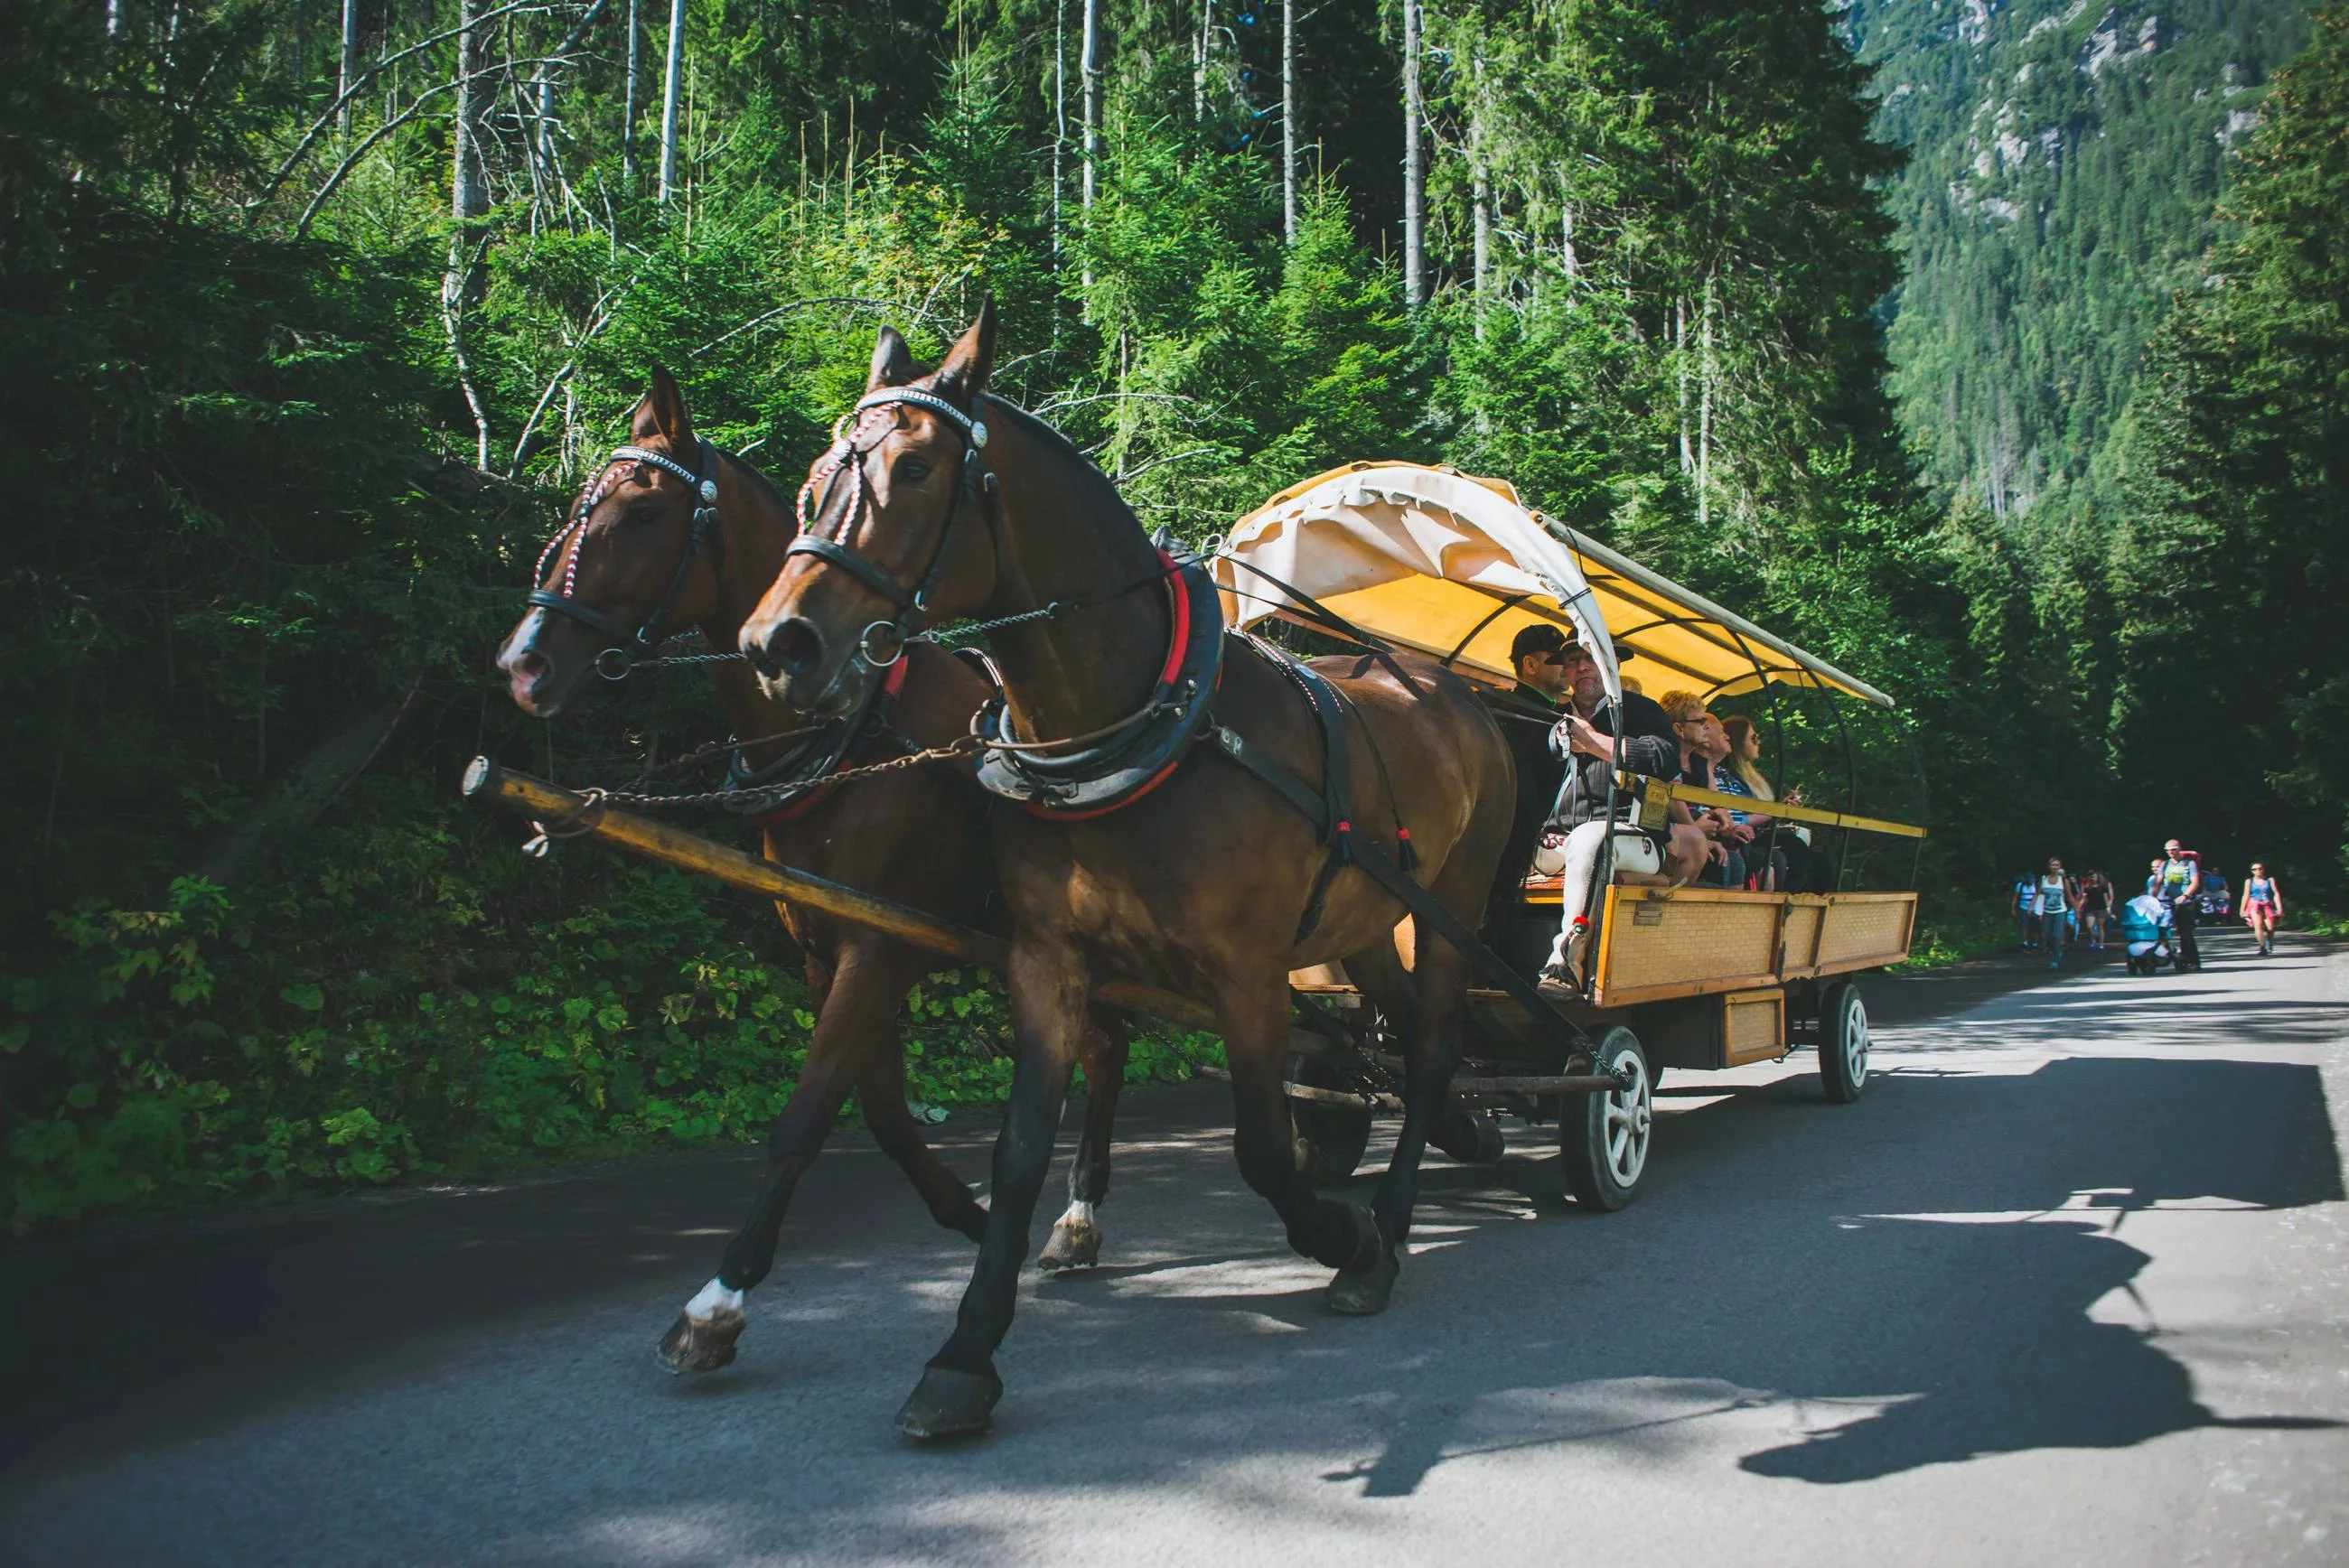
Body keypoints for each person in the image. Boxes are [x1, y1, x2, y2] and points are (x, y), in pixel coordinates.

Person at [1535, 630, 1712, 985]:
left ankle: (1565, 961)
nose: (1583, 667)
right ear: (1565, 673)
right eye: (1573, 661)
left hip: (1635, 838)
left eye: (1592, 658)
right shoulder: (1548, 717)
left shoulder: (1642, 712)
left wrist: (1595, 742)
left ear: (1612, 665)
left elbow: (1663, 760)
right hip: (1556, 840)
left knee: (1589, 840)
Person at [1482, 623, 1574, 929]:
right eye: (1556, 658)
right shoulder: (1508, 711)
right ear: (1530, 664)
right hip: (1511, 837)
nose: (1567, 666)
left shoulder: (1559, 714)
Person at [1719, 714, 1830, 893]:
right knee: (1793, 849)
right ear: (1738, 742)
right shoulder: (1726, 776)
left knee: (1820, 861)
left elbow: (1758, 817)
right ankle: (1787, 904)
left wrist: (1780, 809)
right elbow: (1736, 819)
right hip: (1743, 837)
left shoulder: (1750, 777)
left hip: (1756, 834)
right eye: (1753, 738)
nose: (1758, 742)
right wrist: (1775, 812)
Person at [1657, 692, 1753, 888]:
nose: (1706, 726)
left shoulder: (1699, 762)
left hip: (1693, 831)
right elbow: (1671, 803)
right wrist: (1697, 829)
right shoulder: (1665, 756)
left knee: (1736, 858)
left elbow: (1717, 803)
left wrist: (1722, 822)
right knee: (1726, 862)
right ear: (1679, 729)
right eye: (1700, 721)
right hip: (1669, 834)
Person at [2153, 840, 2203, 971]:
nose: (2171, 852)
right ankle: (2169, 956)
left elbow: (2195, 882)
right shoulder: (2165, 864)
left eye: (2174, 849)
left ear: (2179, 849)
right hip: (2168, 902)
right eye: (2168, 850)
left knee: (2185, 932)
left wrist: (2185, 895)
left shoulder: (2189, 864)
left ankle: (2193, 961)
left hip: (2186, 903)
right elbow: (2158, 882)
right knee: (2162, 930)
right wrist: (2152, 897)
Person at [2033, 858, 2073, 970]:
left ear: (2060, 867)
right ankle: (2054, 949)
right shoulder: (2044, 879)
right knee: (2047, 935)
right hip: (2047, 911)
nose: (2054, 867)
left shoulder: (2063, 880)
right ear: (2049, 866)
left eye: (2057, 865)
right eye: (2052, 865)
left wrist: (2077, 909)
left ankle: (2056, 959)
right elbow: (2038, 894)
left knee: (2056, 935)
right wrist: (2032, 907)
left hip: (2060, 911)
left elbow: (2069, 896)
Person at [2241, 862, 2284, 956]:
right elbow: (2246, 895)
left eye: (2260, 868)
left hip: (2267, 905)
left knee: (2270, 927)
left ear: (2263, 869)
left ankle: (2269, 941)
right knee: (2258, 925)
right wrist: (2242, 910)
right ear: (2252, 871)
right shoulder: (2249, 881)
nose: (2257, 871)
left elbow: (2276, 893)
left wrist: (2279, 907)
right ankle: (2262, 946)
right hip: (2254, 905)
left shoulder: (2270, 880)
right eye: (2254, 869)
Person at [2077, 870, 2112, 951]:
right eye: (2091, 877)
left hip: (2101, 908)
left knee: (2100, 926)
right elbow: (2083, 897)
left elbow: (2105, 897)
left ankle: (2101, 944)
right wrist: (2079, 906)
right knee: (2089, 926)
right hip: (2090, 908)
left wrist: (2108, 907)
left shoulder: (2102, 887)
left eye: (2094, 876)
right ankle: (2093, 940)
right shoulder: (2087, 888)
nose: (2092, 878)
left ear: (2097, 877)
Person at [2015, 871, 2041, 949]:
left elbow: (2039, 897)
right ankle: (2024, 942)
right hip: (2023, 907)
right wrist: (2013, 908)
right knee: (2024, 925)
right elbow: (2016, 897)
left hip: (2035, 908)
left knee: (2035, 927)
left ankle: (2035, 943)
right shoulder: (2020, 885)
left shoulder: (2036, 886)